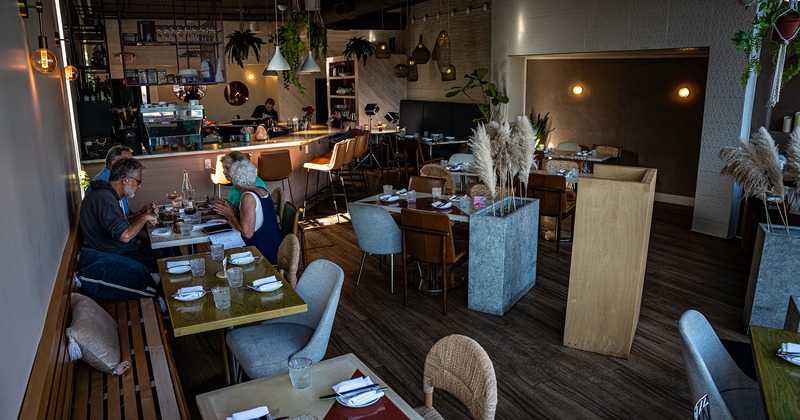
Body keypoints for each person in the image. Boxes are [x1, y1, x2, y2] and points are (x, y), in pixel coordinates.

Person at [80, 158, 173, 272]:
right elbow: (125, 236)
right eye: (138, 182)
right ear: (126, 180)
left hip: (118, 248)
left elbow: (119, 221)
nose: (139, 186)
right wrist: (145, 217)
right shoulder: (105, 199)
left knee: (168, 246)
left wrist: (141, 213)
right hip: (115, 254)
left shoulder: (105, 193)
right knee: (168, 259)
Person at [214, 160, 281, 263]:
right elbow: (254, 215)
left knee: (218, 247)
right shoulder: (261, 190)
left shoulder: (248, 197)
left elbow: (247, 233)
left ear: (236, 180)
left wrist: (230, 214)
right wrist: (231, 207)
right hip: (273, 246)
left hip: (262, 253)